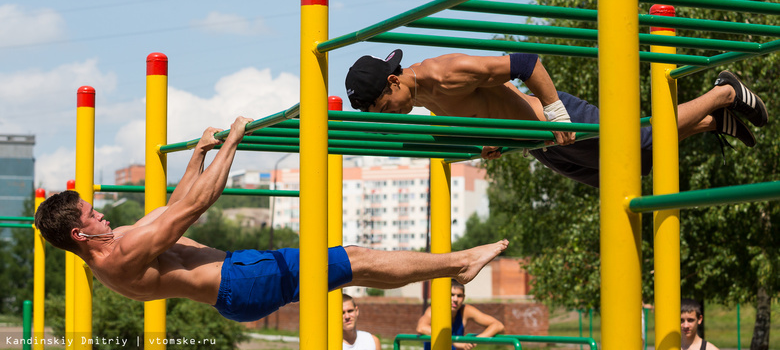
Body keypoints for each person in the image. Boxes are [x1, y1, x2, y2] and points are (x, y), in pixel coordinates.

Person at [34, 116, 509, 323]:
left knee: (354, 267)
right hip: (242, 282)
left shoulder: (111, 250)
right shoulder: (120, 256)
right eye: (92, 213)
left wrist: (199, 155)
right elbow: (197, 208)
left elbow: (172, 207)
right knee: (355, 257)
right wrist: (233, 142)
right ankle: (460, 263)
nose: (101, 213)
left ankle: (455, 266)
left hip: (239, 281)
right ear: (80, 232)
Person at [345, 49, 769, 188]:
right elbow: (488, 107)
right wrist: (487, 142)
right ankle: (714, 122)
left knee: (637, 140)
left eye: (386, 106)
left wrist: (555, 114)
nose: (392, 114)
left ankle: (723, 91)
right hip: (539, 145)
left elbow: (527, 64)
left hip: (553, 123)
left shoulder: (444, 73)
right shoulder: (421, 97)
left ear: (392, 81)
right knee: (631, 168)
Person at [416, 280, 505, 350]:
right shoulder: (434, 310)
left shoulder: (465, 310)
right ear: (443, 295)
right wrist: (454, 341)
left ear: (464, 297)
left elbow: (498, 325)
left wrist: (473, 341)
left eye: (459, 296)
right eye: (451, 295)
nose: (455, 299)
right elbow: (421, 327)